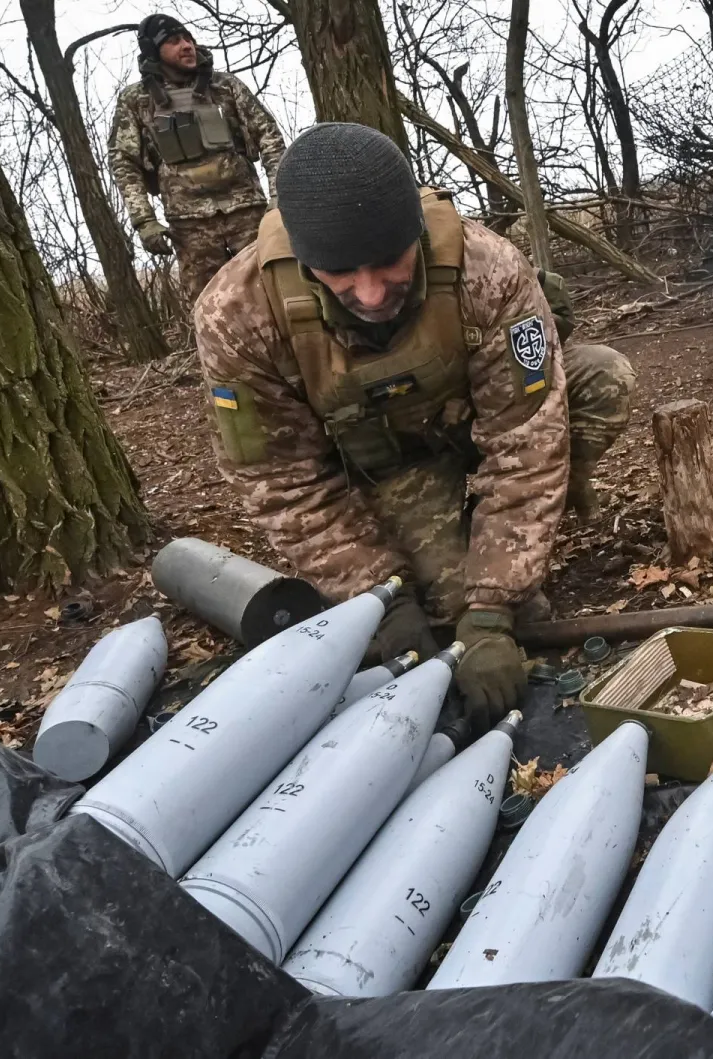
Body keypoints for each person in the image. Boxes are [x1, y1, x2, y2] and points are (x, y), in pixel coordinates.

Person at [194, 123, 636, 728]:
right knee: (444, 609)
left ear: (419, 237)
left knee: (602, 378)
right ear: (304, 259)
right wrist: (378, 594)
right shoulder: (238, 315)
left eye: (388, 263)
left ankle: (537, 518)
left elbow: (527, 441)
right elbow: (282, 482)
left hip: (468, 426)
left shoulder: (488, 270)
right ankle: (441, 536)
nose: (372, 293)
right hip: (382, 469)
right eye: (341, 273)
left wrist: (493, 607)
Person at [109, 14, 286, 302]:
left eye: (188, 38)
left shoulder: (225, 86)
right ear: (154, 51)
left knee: (275, 295)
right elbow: (123, 160)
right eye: (173, 41)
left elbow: (270, 138)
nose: (187, 45)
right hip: (189, 226)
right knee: (209, 309)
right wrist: (144, 221)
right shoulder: (138, 100)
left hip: (247, 213)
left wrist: (280, 198)